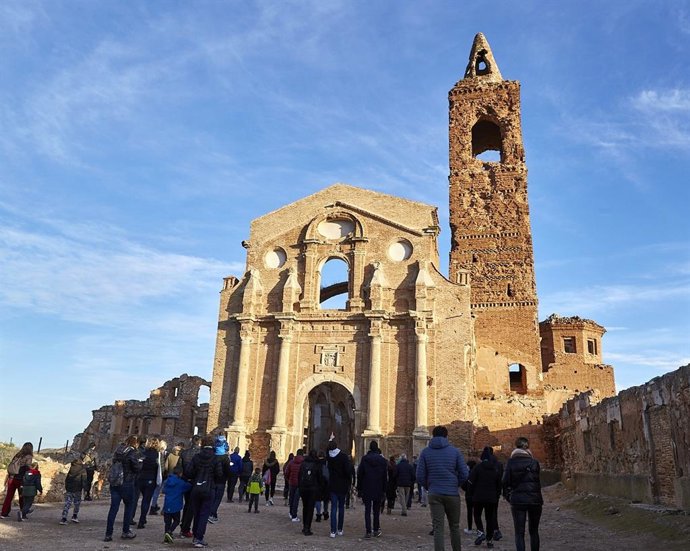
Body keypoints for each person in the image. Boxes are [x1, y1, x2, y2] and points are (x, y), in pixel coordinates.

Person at [416, 425, 469, 551]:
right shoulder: (455, 452)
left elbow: (419, 476)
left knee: (438, 528)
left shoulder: (425, 452)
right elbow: (465, 473)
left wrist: (429, 486)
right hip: (452, 494)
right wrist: (455, 484)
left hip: (435, 493)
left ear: (432, 436)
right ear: (447, 436)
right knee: (454, 527)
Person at [502, 437, 543, 551]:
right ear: (527, 447)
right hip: (535, 500)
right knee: (534, 531)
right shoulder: (534, 462)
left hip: (518, 500)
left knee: (519, 533)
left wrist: (508, 496)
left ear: (516, 447)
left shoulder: (510, 462)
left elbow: (505, 482)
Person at [184, 435, 223, 549]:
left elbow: (189, 472)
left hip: (196, 488)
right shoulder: (215, 458)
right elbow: (219, 474)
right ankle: (199, 538)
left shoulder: (196, 457)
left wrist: (196, 477)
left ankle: (195, 536)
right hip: (209, 488)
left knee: (197, 513)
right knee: (204, 514)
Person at [104, 435, 143, 541]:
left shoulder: (118, 451)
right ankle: (126, 531)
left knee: (113, 509)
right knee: (129, 507)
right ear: (135, 443)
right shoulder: (132, 453)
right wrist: (140, 463)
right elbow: (136, 468)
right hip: (127, 483)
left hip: (115, 483)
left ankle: (108, 534)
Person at [467, 447, 502, 548]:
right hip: (491, 498)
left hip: (478, 497)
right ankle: (489, 539)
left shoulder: (477, 468)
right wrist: (497, 495)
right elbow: (499, 484)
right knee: (489, 518)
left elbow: (470, 482)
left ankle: (481, 532)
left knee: (477, 515)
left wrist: (470, 494)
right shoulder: (495, 469)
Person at [356, 440, 387, 538]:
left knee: (367, 510)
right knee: (376, 511)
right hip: (378, 487)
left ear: (369, 448)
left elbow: (360, 474)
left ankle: (368, 531)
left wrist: (359, 489)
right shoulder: (383, 460)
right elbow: (384, 477)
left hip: (367, 487)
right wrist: (384, 490)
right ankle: (376, 529)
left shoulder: (365, 459)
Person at [326, 439, 352, 538]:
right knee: (341, 508)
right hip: (342, 485)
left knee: (333, 508)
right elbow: (347, 471)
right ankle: (340, 529)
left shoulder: (328, 457)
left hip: (332, 485)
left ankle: (332, 531)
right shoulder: (343, 456)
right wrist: (349, 482)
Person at [1, 442, 33, 518]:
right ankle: (23, 514)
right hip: (20, 479)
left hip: (11, 478)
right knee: (22, 497)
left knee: (9, 496)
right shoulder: (28, 456)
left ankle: (4, 513)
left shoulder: (18, 455)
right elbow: (28, 467)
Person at [178, 435, 202, 539]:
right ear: (199, 442)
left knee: (187, 505)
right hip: (195, 481)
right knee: (193, 507)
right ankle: (186, 529)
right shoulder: (200, 454)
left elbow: (179, 468)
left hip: (185, 480)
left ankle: (183, 526)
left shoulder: (184, 452)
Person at [134, 437, 160, 529]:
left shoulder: (143, 453)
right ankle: (142, 520)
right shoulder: (157, 455)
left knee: (135, 499)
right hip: (151, 479)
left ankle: (131, 518)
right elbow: (160, 468)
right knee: (146, 500)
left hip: (141, 478)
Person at [162, 464, 191, 544]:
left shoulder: (167, 481)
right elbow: (189, 486)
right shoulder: (180, 483)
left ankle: (166, 536)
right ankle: (169, 532)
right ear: (180, 473)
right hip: (176, 506)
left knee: (167, 522)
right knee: (176, 520)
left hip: (167, 505)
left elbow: (164, 490)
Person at [298, 449, 323, 536]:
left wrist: (300, 487)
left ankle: (304, 526)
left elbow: (299, 476)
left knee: (305, 507)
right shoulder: (317, 464)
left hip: (304, 488)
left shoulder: (303, 463)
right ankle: (307, 528)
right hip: (312, 489)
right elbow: (320, 477)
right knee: (310, 508)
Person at [209, 435, 232, 523]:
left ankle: (213, 515)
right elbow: (228, 471)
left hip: (213, 480)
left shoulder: (213, 456)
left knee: (213, 498)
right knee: (217, 499)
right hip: (221, 481)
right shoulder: (225, 458)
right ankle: (211, 514)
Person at [60, 457, 87, 525]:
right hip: (77, 489)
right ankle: (74, 516)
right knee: (77, 503)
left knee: (67, 503)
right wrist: (85, 489)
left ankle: (64, 518)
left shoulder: (71, 468)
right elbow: (84, 480)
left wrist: (67, 487)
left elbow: (67, 479)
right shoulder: (82, 469)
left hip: (69, 489)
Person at [149, 439, 168, 515]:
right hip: (163, 476)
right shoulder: (165, 454)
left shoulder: (157, 454)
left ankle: (153, 507)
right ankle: (162, 509)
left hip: (157, 475)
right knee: (163, 493)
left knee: (156, 493)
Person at [285, 449, 304, 522]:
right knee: (296, 499)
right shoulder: (303, 463)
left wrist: (288, 479)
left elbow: (287, 472)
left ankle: (291, 512)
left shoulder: (291, 462)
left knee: (291, 498)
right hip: (299, 483)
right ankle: (294, 515)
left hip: (292, 482)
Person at [461, 459, 477, 534]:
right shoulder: (478, 473)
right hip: (477, 495)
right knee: (477, 512)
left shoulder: (468, 474)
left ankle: (470, 528)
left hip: (469, 495)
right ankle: (479, 528)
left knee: (470, 512)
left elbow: (464, 485)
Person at [314, 450, 329, 522]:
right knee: (326, 500)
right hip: (326, 484)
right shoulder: (326, 463)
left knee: (318, 500)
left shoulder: (315, 463)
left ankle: (318, 514)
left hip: (317, 484)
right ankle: (325, 512)